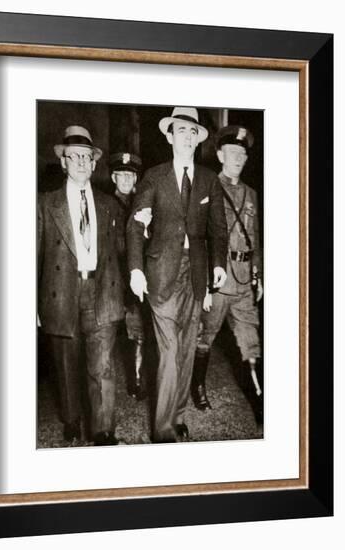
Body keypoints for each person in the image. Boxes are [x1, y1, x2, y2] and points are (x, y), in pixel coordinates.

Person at [126, 107, 228, 443]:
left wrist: (217, 265)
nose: (186, 137)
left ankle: (179, 414)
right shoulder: (154, 177)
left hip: (196, 275)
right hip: (161, 273)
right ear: (169, 137)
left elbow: (218, 229)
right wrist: (137, 269)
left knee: (185, 350)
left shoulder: (208, 179)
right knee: (168, 351)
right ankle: (164, 431)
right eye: (180, 131)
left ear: (197, 141)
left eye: (192, 132)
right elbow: (135, 224)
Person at [37, 125, 125, 446]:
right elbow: (33, 256)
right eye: (74, 157)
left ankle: (104, 432)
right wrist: (33, 304)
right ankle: (72, 421)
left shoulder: (108, 204)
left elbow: (121, 252)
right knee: (66, 365)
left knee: (102, 367)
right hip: (61, 292)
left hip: (102, 292)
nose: (81, 163)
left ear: (95, 163)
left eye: (87, 157)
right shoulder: (46, 204)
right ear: (63, 162)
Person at [194, 125, 263, 424]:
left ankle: (259, 399)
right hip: (218, 281)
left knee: (251, 341)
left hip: (246, 280)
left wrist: (260, 273)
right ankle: (197, 386)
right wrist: (204, 285)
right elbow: (200, 237)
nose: (237, 158)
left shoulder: (251, 194)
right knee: (205, 336)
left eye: (242, 153)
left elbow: (255, 237)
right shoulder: (208, 187)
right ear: (220, 154)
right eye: (232, 152)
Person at [109, 152, 148, 400]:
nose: (125, 179)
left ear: (135, 178)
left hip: (136, 275)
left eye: (130, 174)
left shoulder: (143, 204)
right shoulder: (104, 204)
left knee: (138, 330)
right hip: (112, 276)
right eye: (121, 174)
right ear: (113, 177)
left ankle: (136, 377)